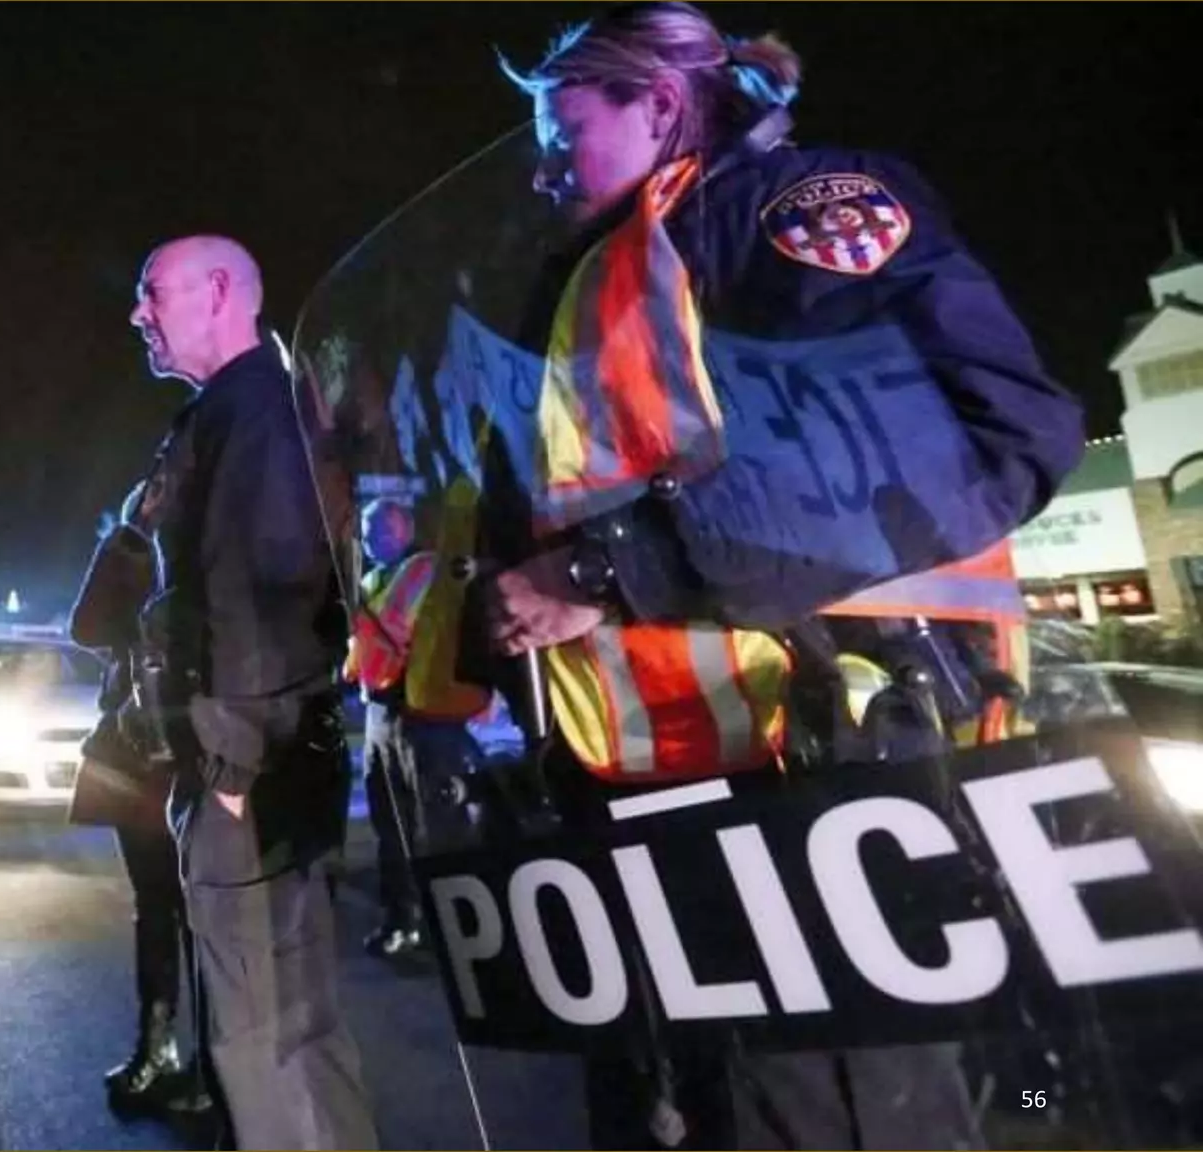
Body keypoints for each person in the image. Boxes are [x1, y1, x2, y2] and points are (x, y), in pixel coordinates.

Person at [480, 4, 1085, 1147]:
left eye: (561, 125)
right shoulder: (599, 274)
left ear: (656, 105)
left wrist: (616, 568)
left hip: (816, 772)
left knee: (818, 1118)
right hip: (656, 787)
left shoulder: (795, 213)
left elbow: (991, 434)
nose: (540, 161)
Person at [124, 235, 377, 1150]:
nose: (138, 313)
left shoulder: (254, 413)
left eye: (153, 292)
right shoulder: (256, 406)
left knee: (258, 1026)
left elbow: (254, 586)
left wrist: (228, 760)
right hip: (277, 747)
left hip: (251, 758)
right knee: (297, 1016)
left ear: (221, 290)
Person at [67, 481, 215, 1119]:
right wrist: (132, 536)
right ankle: (157, 1049)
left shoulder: (217, 553)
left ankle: (218, 1063)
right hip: (137, 758)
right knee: (156, 908)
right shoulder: (139, 563)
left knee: (210, 918)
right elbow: (87, 626)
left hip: (203, 755)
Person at [344, 497, 484, 959]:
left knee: (437, 823)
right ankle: (402, 919)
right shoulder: (370, 579)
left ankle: (459, 926)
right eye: (367, 534)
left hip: (422, 714)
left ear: (403, 529)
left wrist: (357, 614)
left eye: (379, 531)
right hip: (381, 711)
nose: (371, 542)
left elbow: (400, 628)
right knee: (391, 823)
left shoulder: (424, 570)